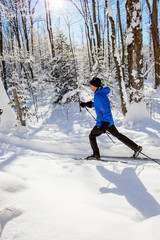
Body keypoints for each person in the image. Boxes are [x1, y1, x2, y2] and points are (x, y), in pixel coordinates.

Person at [80, 77, 142, 160]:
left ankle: (96, 155)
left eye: (91, 85)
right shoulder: (100, 93)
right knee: (118, 135)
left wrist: (104, 124)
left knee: (92, 136)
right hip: (107, 122)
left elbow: (106, 110)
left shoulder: (99, 95)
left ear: (95, 86)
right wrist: (88, 104)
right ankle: (136, 148)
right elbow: (99, 105)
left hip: (103, 122)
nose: (90, 86)